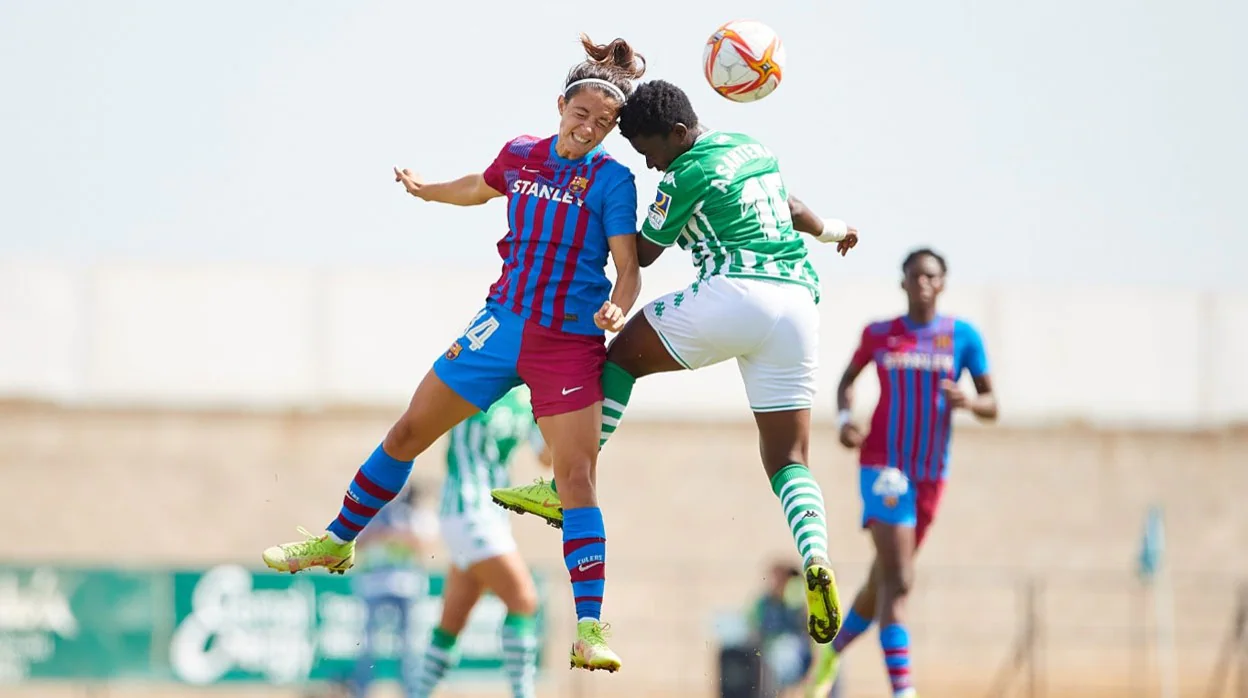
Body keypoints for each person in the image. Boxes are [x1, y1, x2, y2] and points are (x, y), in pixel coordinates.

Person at [261, 33, 648, 673]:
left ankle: (587, 630)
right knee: (409, 430)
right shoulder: (521, 154)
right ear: (560, 106)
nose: (590, 128)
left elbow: (629, 267)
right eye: (582, 114)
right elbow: (481, 185)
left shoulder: (612, 181)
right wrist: (426, 190)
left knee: (575, 480)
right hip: (500, 326)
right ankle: (336, 541)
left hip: (568, 342)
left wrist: (618, 305)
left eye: (604, 123)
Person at [491, 79, 858, 645]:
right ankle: (817, 556)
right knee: (788, 455)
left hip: (737, 292)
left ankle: (566, 484)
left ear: (680, 135)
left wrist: (580, 216)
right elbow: (793, 208)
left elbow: (638, 254)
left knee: (621, 358)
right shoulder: (751, 147)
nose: (650, 165)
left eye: (650, 152)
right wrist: (835, 230)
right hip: (798, 304)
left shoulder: (685, 173)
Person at [803, 248, 998, 698]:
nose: (923, 283)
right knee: (902, 581)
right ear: (903, 282)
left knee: (882, 579)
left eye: (931, 276)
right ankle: (903, 691)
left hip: (931, 474)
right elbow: (845, 382)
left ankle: (833, 651)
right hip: (883, 467)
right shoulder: (880, 334)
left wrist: (969, 401)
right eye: (915, 276)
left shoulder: (963, 337)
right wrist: (846, 420)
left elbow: (994, 405)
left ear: (943, 283)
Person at [410, 385, 549, 698]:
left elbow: (546, 456)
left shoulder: (528, 397)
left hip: (492, 515)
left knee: (452, 622)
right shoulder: (481, 374)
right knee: (524, 600)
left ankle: (417, 693)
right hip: (467, 508)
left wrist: (579, 422)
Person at [347, 483, 439, 698]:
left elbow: (424, 542)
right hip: (374, 585)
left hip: (406, 586)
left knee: (409, 648)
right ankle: (362, 692)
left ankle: (412, 694)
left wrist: (395, 532)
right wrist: (383, 531)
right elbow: (355, 542)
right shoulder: (370, 514)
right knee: (367, 646)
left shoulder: (413, 514)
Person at [749, 562, 812, 698]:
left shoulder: (796, 602)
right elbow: (753, 627)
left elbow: (808, 628)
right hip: (770, 649)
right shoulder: (764, 603)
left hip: (797, 649)